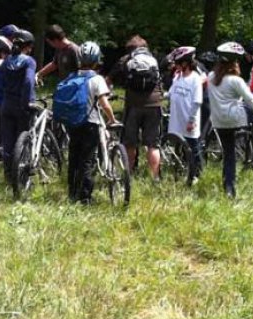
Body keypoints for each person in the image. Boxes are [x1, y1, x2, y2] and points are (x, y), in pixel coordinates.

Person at [208, 42, 253, 199]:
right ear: (235, 62)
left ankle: (229, 188)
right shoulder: (236, 81)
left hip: (219, 122)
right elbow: (252, 102)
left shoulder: (211, 77)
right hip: (237, 120)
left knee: (229, 155)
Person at [63, 41, 116, 204]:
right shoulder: (97, 79)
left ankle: (72, 193)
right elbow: (104, 104)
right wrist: (112, 119)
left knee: (74, 157)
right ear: (96, 59)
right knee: (87, 160)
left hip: (73, 123)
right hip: (90, 123)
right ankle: (85, 197)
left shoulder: (72, 76)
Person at [118, 36, 163, 180]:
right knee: (153, 145)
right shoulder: (153, 59)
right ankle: (155, 177)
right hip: (154, 104)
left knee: (130, 143)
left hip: (133, 105)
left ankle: (128, 175)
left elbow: (121, 80)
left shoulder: (126, 61)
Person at [1, 29, 37, 184]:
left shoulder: (7, 60)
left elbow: (2, 79)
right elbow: (29, 82)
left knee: (8, 141)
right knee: (23, 140)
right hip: (22, 105)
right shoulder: (29, 61)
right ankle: (22, 178)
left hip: (6, 104)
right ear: (28, 46)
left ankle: (8, 176)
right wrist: (26, 102)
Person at [167, 46, 203, 184]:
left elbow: (197, 101)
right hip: (177, 118)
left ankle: (196, 174)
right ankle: (180, 170)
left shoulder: (195, 79)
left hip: (189, 119)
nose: (175, 66)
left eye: (177, 63)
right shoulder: (178, 77)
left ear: (185, 63)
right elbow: (170, 93)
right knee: (178, 145)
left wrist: (191, 120)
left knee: (193, 146)